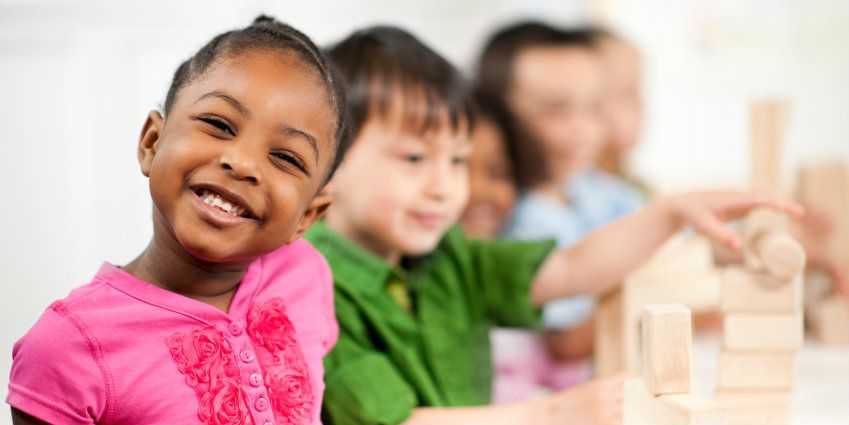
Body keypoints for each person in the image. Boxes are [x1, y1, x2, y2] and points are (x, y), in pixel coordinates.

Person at [308, 25, 802, 425]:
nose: (445, 187)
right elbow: (395, 422)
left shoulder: (448, 255)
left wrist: (668, 215)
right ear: (332, 161)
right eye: (415, 158)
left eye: (457, 160)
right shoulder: (310, 285)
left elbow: (570, 268)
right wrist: (555, 412)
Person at [8, 16, 349, 425]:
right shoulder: (68, 346)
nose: (242, 163)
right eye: (219, 125)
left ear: (308, 215)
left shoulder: (305, 274)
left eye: (286, 157)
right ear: (152, 142)